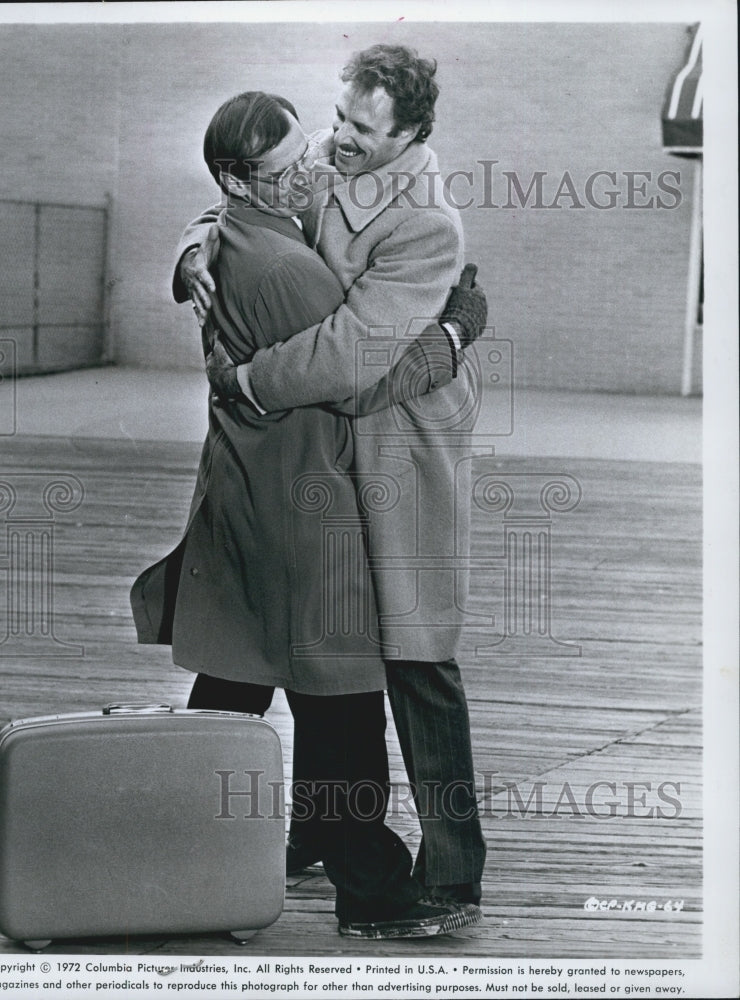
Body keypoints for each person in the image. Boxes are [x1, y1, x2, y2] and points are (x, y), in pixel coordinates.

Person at [132, 91, 484, 939]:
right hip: (303, 502)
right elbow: (357, 372)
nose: (313, 168)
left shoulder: (248, 229)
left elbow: (223, 218)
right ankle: (373, 891)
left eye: (312, 150)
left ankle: (168, 844)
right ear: (241, 179)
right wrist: (456, 332)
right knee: (342, 699)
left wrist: (191, 249)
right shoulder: (285, 265)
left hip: (257, 489)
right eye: (287, 166)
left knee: (235, 677)